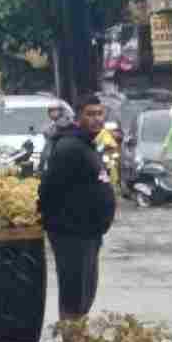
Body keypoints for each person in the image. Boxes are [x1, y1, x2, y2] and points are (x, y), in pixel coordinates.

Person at [38, 94, 116, 321]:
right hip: (72, 234)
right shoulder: (69, 147)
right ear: (79, 116)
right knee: (73, 292)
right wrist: (61, 224)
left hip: (90, 234)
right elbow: (48, 189)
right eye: (90, 114)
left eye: (100, 113)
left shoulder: (88, 145)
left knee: (86, 292)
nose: (96, 119)